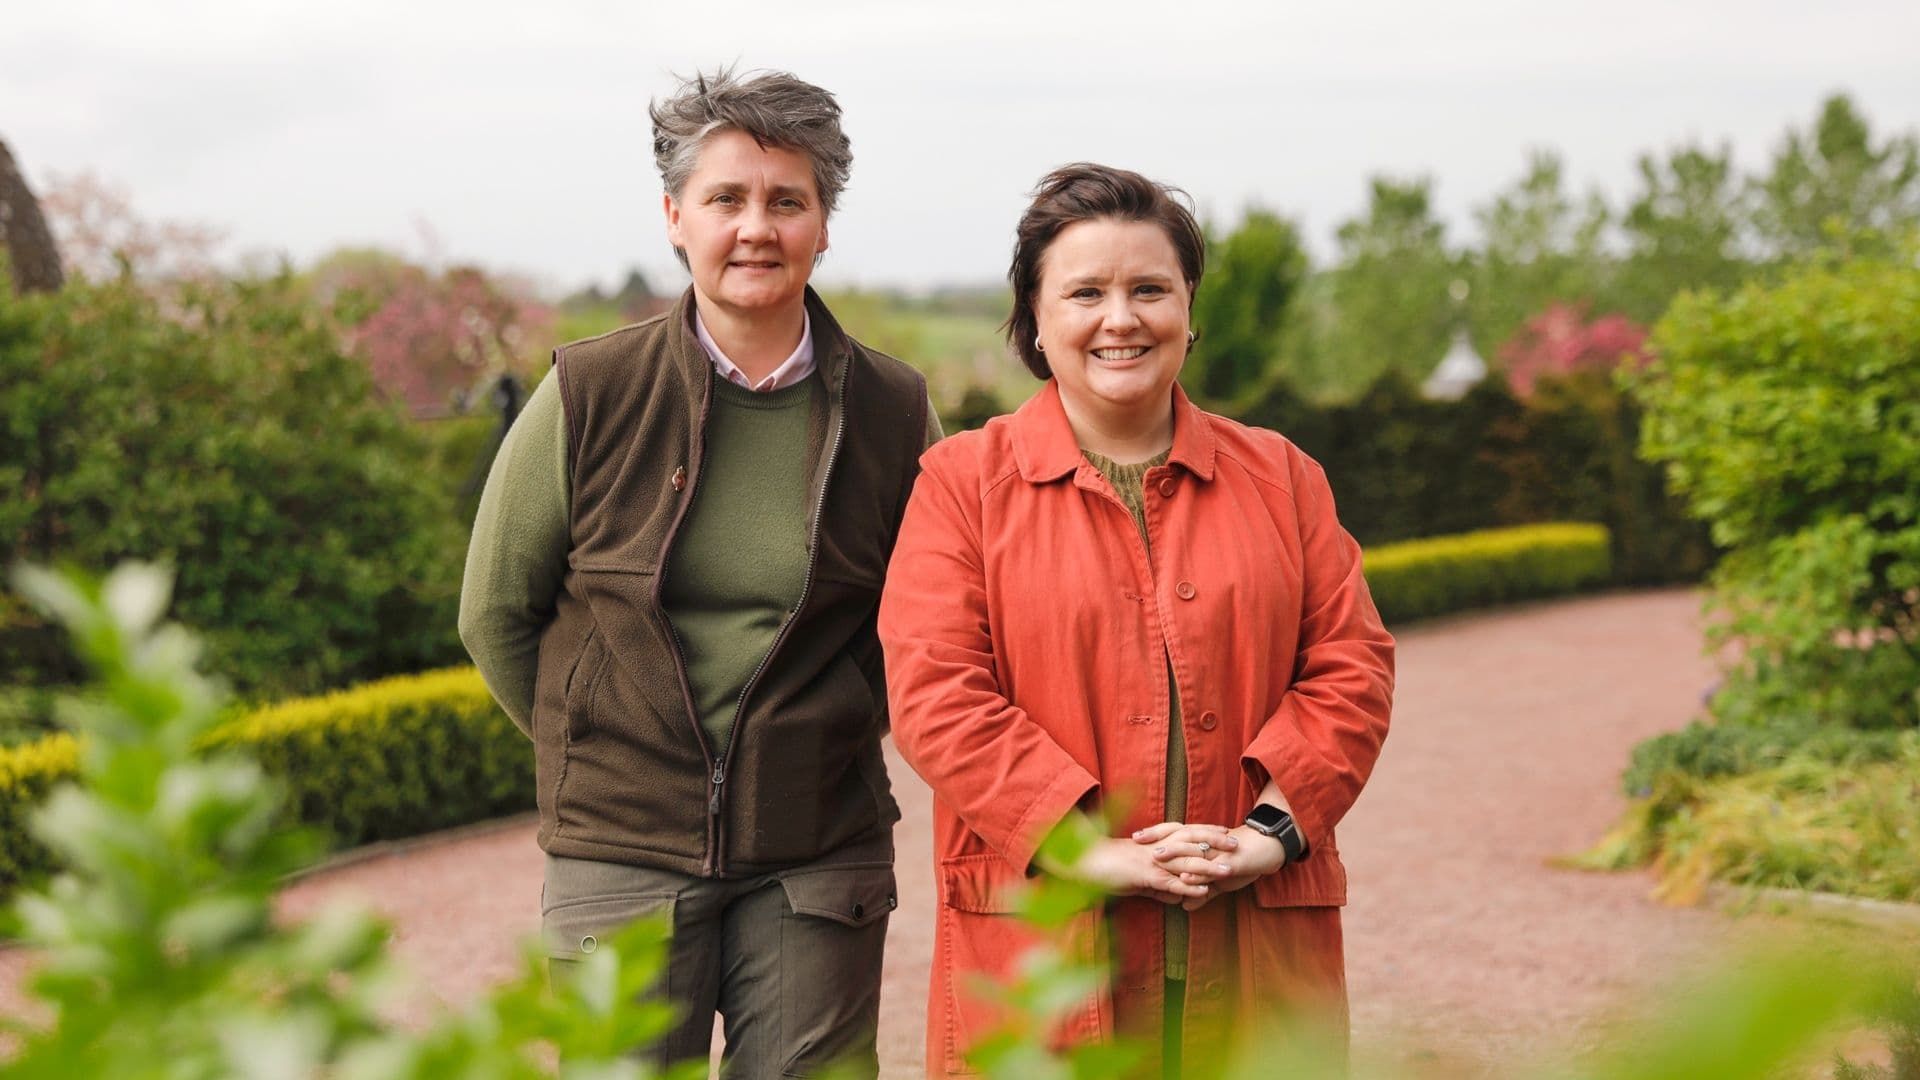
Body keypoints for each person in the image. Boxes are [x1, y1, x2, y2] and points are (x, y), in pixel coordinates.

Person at [459, 67, 939, 1077]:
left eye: (786, 200)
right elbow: (496, 610)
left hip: (819, 853)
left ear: (823, 224)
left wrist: (837, 726)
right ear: (676, 217)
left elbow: (932, 622)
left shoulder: (897, 412)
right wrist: (596, 741)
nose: (755, 226)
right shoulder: (587, 393)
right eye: (727, 198)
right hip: (617, 853)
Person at [877, 163, 1394, 1078]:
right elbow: (936, 694)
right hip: (1046, 957)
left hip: (1257, 945)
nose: (1122, 319)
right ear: (1035, 320)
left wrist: (1266, 837)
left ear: (1189, 310)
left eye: (1149, 289)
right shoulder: (962, 486)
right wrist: (1092, 852)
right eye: (1086, 293)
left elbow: (1352, 666)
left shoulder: (1283, 478)